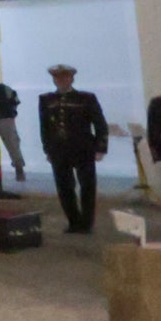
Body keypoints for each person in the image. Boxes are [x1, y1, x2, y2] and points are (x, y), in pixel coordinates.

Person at [36, 66, 113, 235]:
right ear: (54, 80)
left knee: (87, 186)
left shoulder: (86, 98)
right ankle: (73, 221)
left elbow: (100, 124)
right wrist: (47, 149)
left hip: (83, 148)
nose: (61, 81)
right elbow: (45, 127)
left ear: (72, 79)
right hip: (59, 149)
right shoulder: (46, 100)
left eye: (65, 78)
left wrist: (100, 148)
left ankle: (86, 223)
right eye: (58, 78)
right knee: (64, 187)